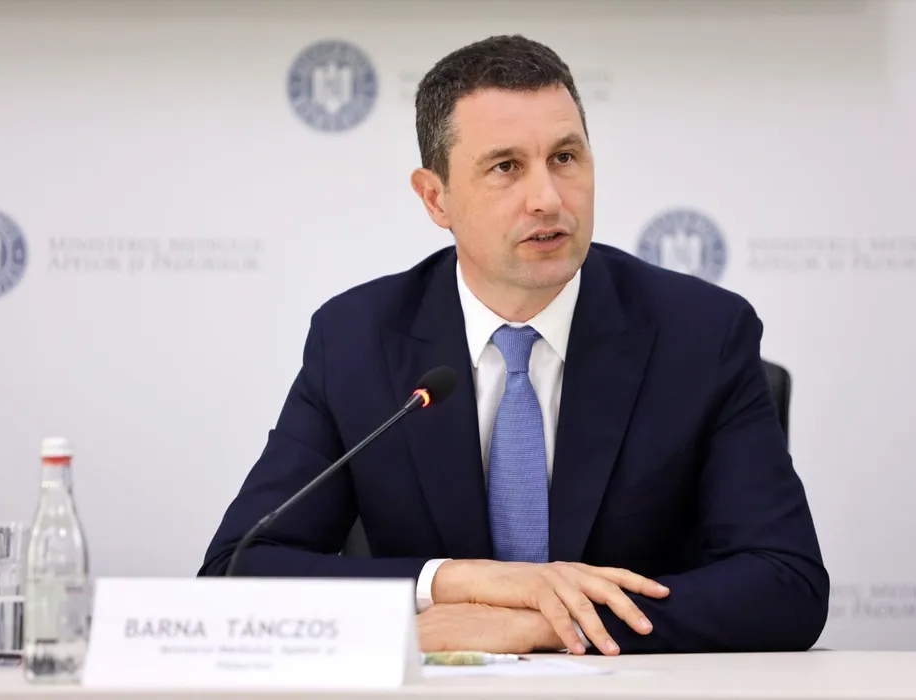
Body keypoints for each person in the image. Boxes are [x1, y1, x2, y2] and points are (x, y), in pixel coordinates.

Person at [199, 34, 829, 656]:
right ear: (435, 197)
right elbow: (237, 571)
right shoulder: (358, 340)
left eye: (565, 157)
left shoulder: (702, 334)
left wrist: (548, 625)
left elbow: (787, 584)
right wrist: (456, 583)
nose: (548, 199)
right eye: (506, 167)